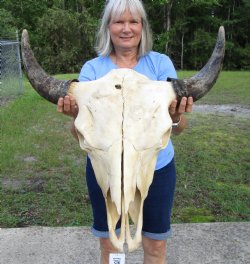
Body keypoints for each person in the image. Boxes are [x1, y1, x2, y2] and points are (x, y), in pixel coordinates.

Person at [57, 0, 193, 263]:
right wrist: (76, 116)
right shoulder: (92, 70)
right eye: (119, 21)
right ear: (108, 27)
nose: (126, 28)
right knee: (111, 248)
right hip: (104, 172)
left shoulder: (160, 65)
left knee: (155, 247)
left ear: (142, 27)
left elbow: (177, 130)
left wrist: (176, 116)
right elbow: (82, 135)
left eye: (133, 21)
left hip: (156, 169)